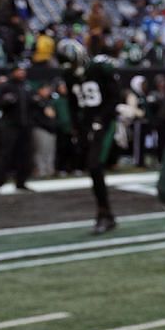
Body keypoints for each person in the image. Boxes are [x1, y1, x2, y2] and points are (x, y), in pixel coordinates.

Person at [57, 39, 120, 233]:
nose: (72, 67)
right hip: (87, 125)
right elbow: (73, 104)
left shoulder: (99, 68)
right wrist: (77, 127)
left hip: (104, 122)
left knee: (95, 165)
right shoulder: (69, 75)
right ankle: (105, 213)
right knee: (92, 168)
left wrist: (101, 119)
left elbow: (114, 96)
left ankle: (104, 214)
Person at [0, 65, 34, 194]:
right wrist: (5, 101)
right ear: (13, 72)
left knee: (25, 155)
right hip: (10, 125)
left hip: (25, 125)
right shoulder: (5, 86)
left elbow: (32, 103)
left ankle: (21, 182)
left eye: (23, 71)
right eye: (19, 71)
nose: (22, 73)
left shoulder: (27, 86)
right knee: (5, 154)